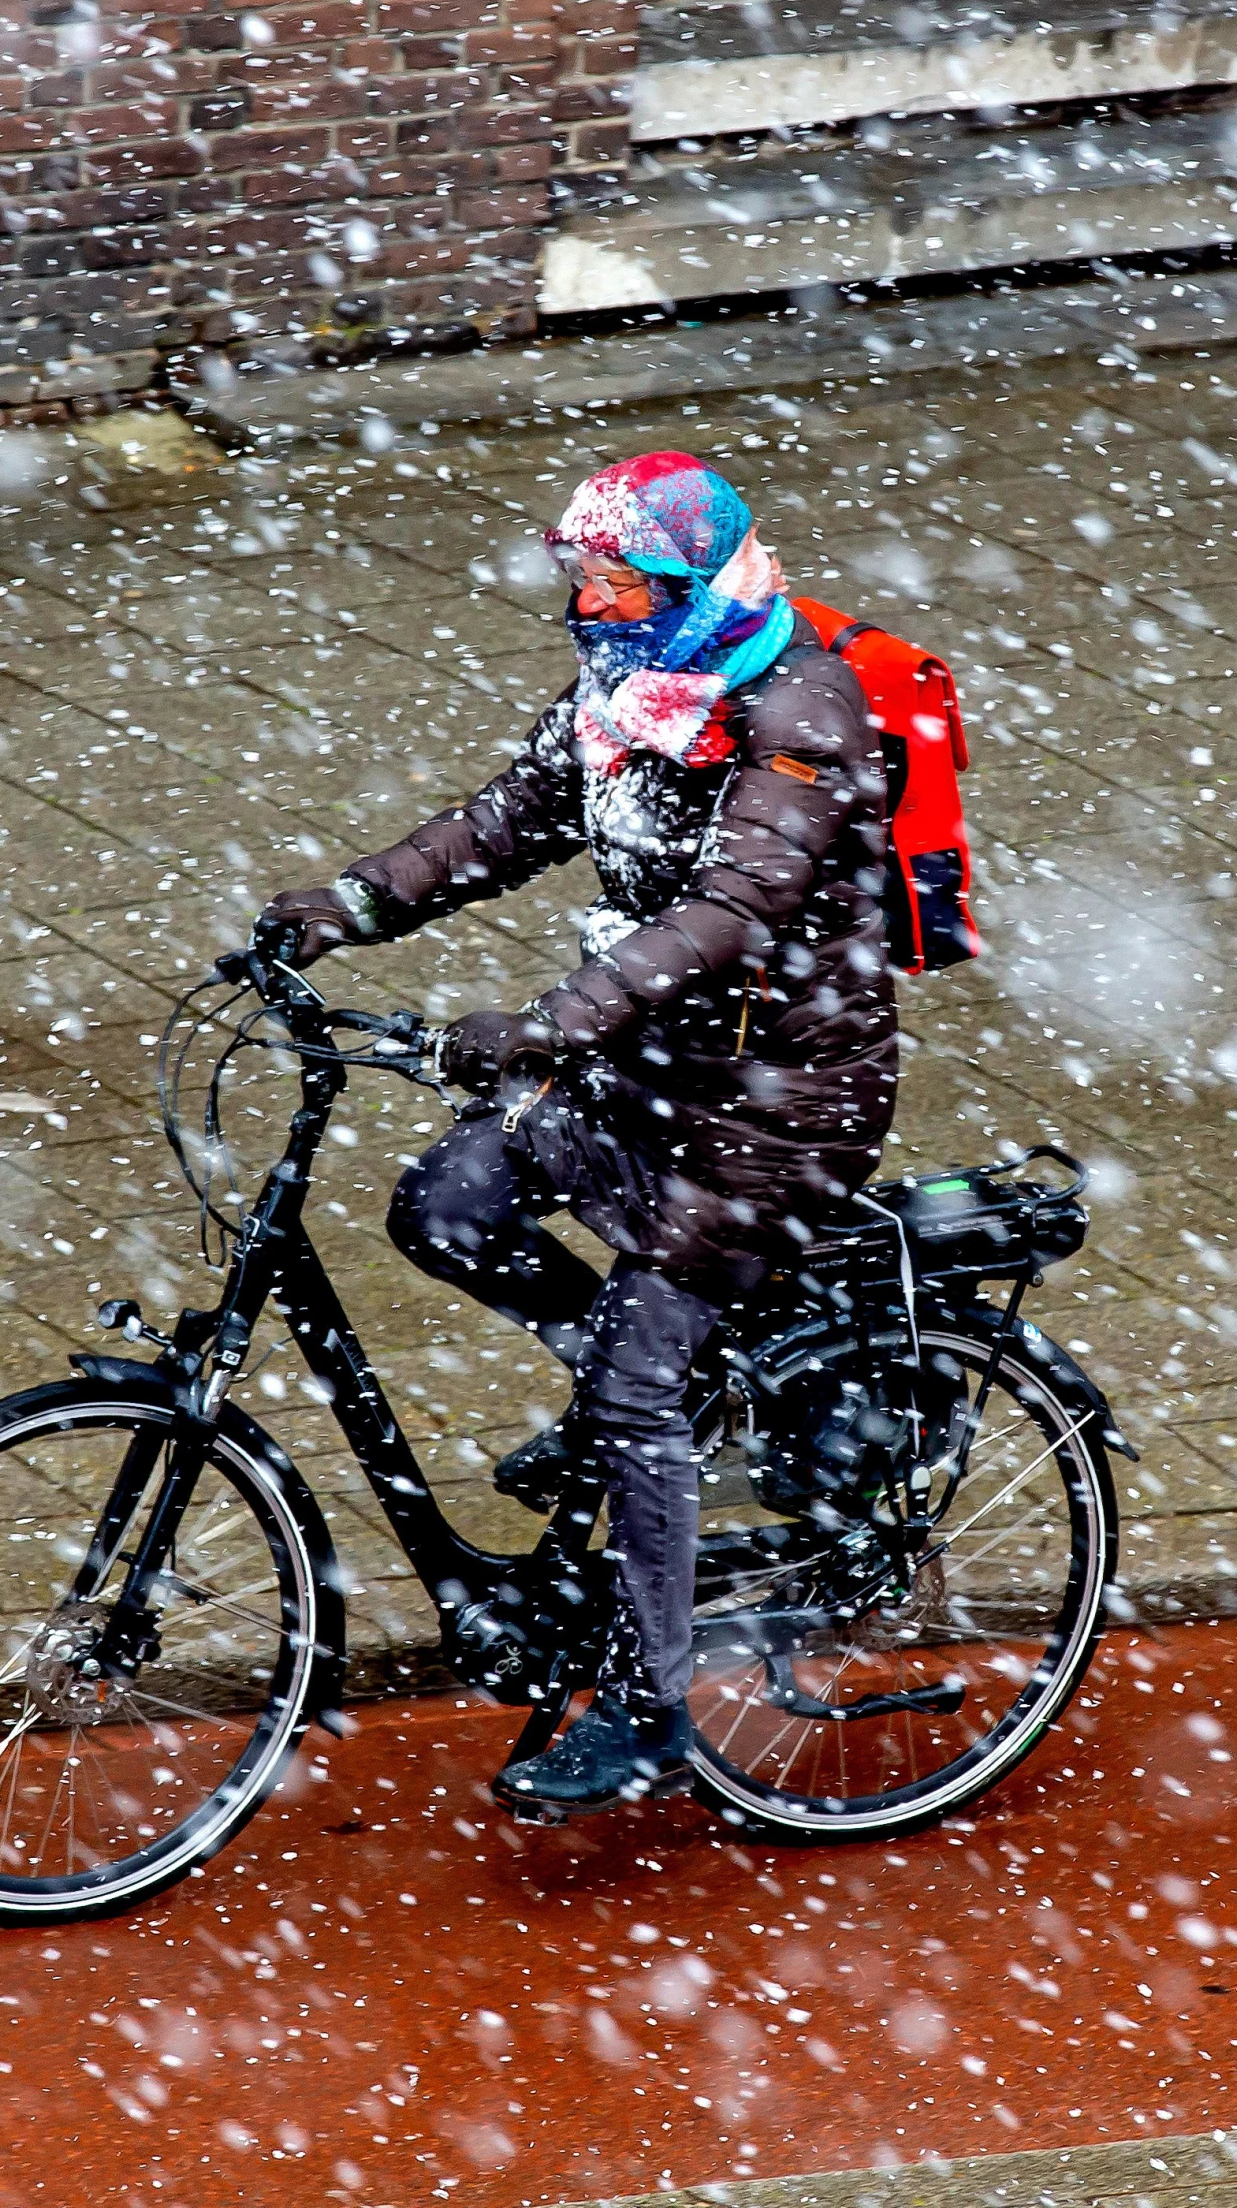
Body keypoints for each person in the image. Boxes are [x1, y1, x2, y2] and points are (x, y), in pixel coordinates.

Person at [252, 453, 900, 1817]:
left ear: (687, 586)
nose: (591, 604)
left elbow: (731, 909)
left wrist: (556, 1019)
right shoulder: (628, 692)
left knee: (629, 1387)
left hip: (776, 1107)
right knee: (446, 1206)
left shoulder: (797, 716)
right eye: (582, 577)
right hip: (644, 1065)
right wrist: (355, 904)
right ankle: (651, 1383)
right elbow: (511, 816)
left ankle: (654, 1706)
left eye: (618, 581)